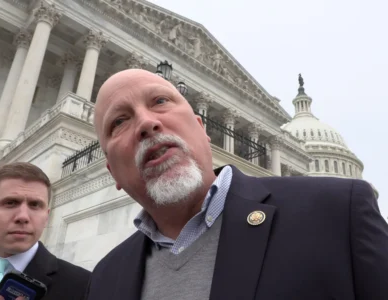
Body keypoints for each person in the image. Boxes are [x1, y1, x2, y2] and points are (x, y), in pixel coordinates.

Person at [85, 69, 388, 300]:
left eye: (160, 101)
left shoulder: (336, 213)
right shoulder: (103, 280)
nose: (146, 123)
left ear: (203, 130)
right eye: (119, 122)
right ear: (113, 173)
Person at [0, 162, 90, 300]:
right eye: (10, 203)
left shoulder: (85, 285)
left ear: (46, 216)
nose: (23, 216)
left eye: (35, 205)